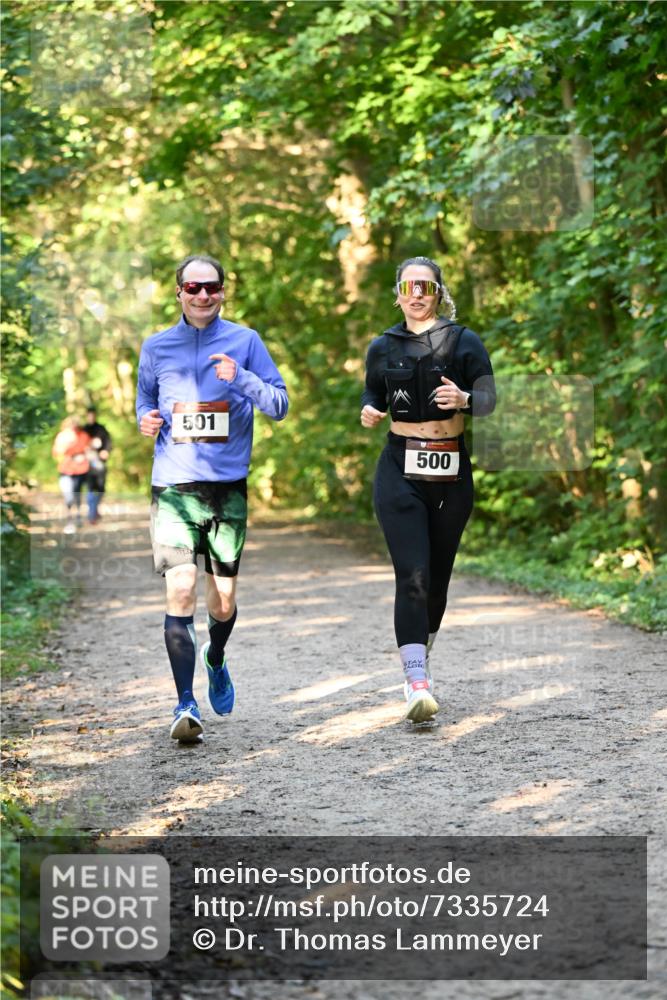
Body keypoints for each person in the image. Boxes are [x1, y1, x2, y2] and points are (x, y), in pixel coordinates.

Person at [136, 254, 288, 744]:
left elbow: (279, 405)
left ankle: (216, 657)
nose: (203, 295)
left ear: (223, 291)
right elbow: (144, 401)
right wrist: (146, 419)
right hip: (174, 487)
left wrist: (239, 378)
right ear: (178, 291)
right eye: (193, 287)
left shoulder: (245, 342)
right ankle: (185, 704)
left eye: (212, 288)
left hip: (227, 491)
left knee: (221, 604)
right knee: (181, 589)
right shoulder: (156, 347)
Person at [361, 256, 496, 724]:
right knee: (412, 575)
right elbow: (372, 395)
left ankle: (423, 652)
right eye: (408, 286)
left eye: (426, 286)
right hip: (399, 467)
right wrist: (369, 412)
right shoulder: (383, 346)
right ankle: (416, 681)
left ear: (438, 292)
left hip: (451, 471)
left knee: (437, 578)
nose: (417, 293)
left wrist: (464, 399)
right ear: (398, 293)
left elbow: (492, 399)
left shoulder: (463, 342)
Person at [51, 417, 92, 534]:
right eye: (71, 426)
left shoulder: (83, 435)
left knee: (77, 494)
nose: (73, 428)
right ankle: (70, 521)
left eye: (76, 426)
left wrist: (84, 455)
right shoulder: (62, 436)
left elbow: (89, 449)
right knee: (68, 496)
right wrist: (66, 448)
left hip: (80, 470)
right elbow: (55, 452)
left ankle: (78, 516)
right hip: (65, 470)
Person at [82, 407, 112, 524]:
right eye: (89, 415)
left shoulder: (101, 429)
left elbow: (108, 443)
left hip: (100, 463)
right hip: (87, 464)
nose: (91, 417)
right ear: (87, 416)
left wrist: (106, 451)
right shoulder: (83, 430)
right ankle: (92, 514)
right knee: (90, 488)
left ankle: (95, 508)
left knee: (101, 488)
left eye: (93, 415)